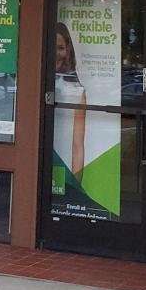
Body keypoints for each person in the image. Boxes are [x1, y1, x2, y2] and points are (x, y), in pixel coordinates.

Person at [54, 21, 87, 178]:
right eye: (51, 48)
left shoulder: (77, 91)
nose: (55, 54)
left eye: (60, 48)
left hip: (62, 170)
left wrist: (76, 190)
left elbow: (77, 146)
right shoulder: (30, 84)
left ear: (68, 51)